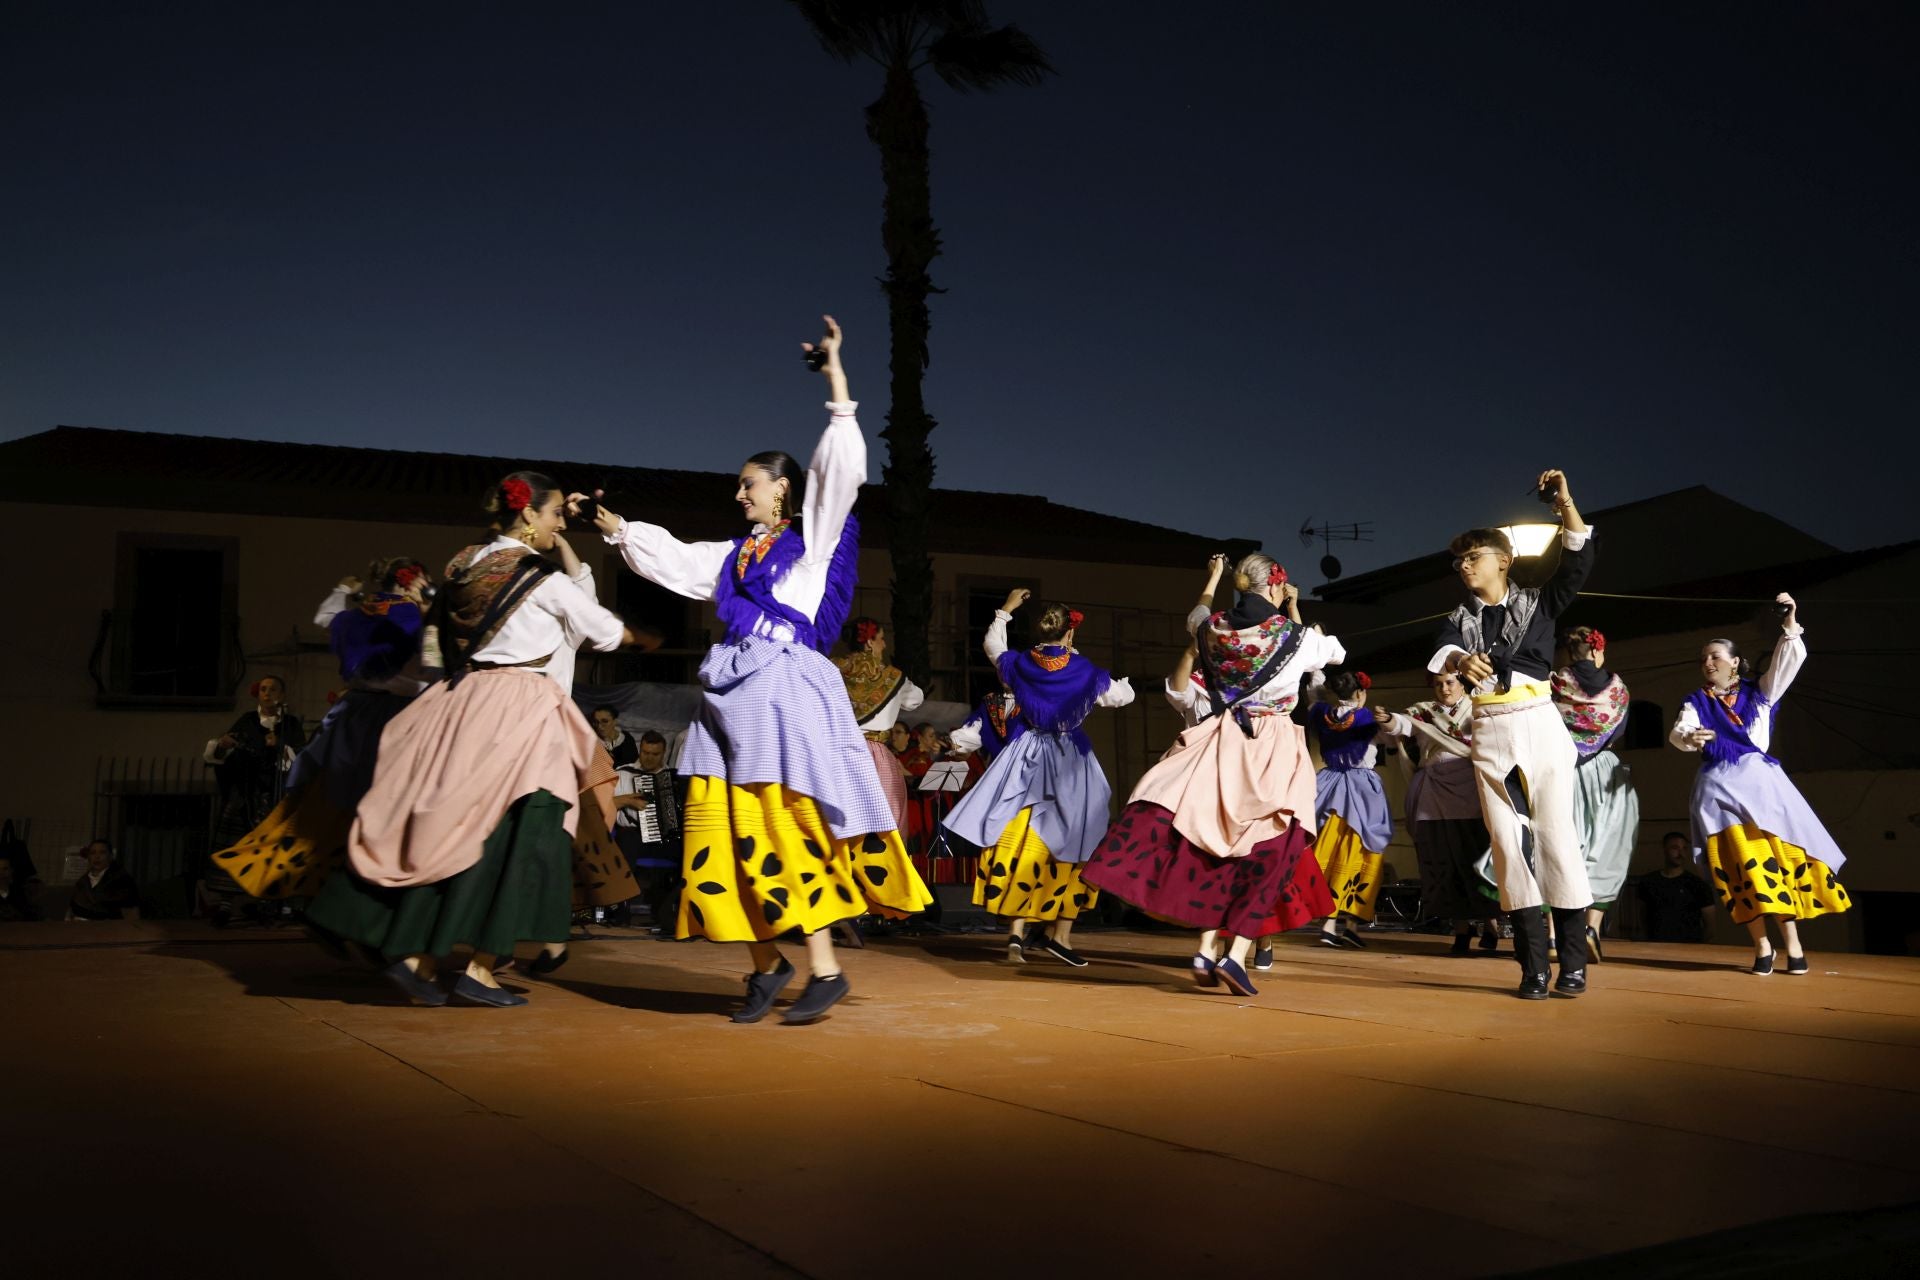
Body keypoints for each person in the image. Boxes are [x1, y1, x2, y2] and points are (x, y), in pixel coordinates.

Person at [588, 315, 931, 1026]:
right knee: (716, 840)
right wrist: (620, 531)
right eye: (740, 487)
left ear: (783, 491)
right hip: (728, 699)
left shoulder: (811, 547)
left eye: (750, 486)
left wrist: (838, 384)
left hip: (784, 694)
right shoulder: (733, 556)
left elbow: (840, 474)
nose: (739, 495)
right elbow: (680, 561)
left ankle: (826, 969)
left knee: (782, 831)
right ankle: (767, 966)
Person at [305, 470, 640, 1007]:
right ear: (529, 515)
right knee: (528, 834)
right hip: (522, 711)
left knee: (454, 828)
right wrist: (634, 634)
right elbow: (601, 631)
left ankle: (418, 955)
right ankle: (477, 968)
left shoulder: (464, 564)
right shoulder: (540, 578)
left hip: (462, 702)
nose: (559, 524)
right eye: (554, 514)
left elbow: (436, 644)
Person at [1084, 553, 1341, 997]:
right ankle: (1235, 954)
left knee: (1219, 847)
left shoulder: (1210, 627)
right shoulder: (1295, 638)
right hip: (1274, 746)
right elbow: (1334, 653)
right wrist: (1295, 614)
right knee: (1276, 849)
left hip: (1223, 742)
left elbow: (1198, 612)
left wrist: (1213, 576)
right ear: (1277, 586)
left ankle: (1207, 948)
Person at [1430, 469, 1596, 1000]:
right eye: (1458, 560)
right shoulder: (1459, 619)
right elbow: (1441, 651)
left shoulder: (1539, 603)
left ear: (1503, 560)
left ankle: (1571, 964)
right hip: (1490, 728)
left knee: (1555, 836)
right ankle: (1531, 969)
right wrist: (1461, 659)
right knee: (1506, 844)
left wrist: (1564, 502)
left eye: (1472, 556)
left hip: (1539, 719)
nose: (1463, 566)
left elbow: (1576, 557)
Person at [210, 558, 433, 902]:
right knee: (391, 805)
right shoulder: (417, 618)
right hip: (399, 717)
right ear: (411, 583)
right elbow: (435, 665)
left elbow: (325, 618)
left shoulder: (362, 613)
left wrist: (343, 590)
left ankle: (303, 874)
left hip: (355, 713)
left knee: (330, 798)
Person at [943, 590, 1134, 966]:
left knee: (1020, 837)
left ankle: (1017, 933)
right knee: (1081, 839)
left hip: (1025, 754)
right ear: (1070, 634)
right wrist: (1084, 668)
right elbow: (1121, 697)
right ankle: (1059, 934)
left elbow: (993, 644)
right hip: (1070, 759)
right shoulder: (1087, 673)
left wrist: (1006, 610)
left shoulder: (1017, 665)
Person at [1669, 594, 1849, 975]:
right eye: (1703, 657)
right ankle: (1762, 947)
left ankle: (1794, 946)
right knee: (1740, 873)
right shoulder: (1696, 701)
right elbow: (1681, 731)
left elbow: (1788, 662)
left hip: (1761, 790)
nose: (1708, 662)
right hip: (1717, 794)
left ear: (1735, 661)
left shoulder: (1761, 693)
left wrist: (1789, 624)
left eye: (1715, 655)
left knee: (1775, 867)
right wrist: (1691, 738)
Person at [1375, 670, 1503, 956]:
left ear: (1462, 683)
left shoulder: (1479, 706)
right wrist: (1389, 720)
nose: (1444, 689)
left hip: (1471, 791)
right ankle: (1461, 930)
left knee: (1477, 859)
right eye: (1438, 684)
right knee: (1443, 863)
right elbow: (1402, 725)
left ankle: (1490, 924)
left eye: (1450, 683)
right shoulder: (1424, 711)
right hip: (1435, 795)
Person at [1551, 624, 1641, 962]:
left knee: (1559, 848)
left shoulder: (1554, 685)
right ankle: (1592, 927)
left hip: (1563, 769)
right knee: (1609, 849)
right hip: (1607, 771)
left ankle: (1550, 936)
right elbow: (1620, 728)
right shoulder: (1619, 690)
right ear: (1598, 650)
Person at [202, 675, 307, 920]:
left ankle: (269, 902)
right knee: (237, 845)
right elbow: (223, 752)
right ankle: (226, 903)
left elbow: (300, 758)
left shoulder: (290, 724)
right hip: (246, 795)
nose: (267, 693)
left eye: (273, 689)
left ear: (282, 695)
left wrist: (280, 745)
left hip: (276, 795)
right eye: (263, 689)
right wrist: (224, 745)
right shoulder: (247, 721)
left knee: (274, 850)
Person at [1307, 669, 1393, 949]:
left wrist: (1316, 666)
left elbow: (1314, 690)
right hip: (1361, 788)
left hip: (1329, 784)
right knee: (1362, 851)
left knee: (1329, 849)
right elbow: (1391, 738)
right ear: (1360, 693)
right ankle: (1345, 924)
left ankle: (1333, 923)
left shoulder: (1321, 713)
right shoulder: (1368, 719)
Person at [834, 617, 923, 833]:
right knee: (884, 822)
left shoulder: (833, 668)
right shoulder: (892, 677)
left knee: (842, 822)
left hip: (838, 754)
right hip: (876, 755)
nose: (884, 644)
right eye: (881, 639)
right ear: (870, 642)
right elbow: (916, 699)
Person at [613, 730, 683, 932]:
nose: (648, 758)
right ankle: (620, 911)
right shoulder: (623, 773)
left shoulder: (674, 778)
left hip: (664, 837)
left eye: (654, 754)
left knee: (687, 855)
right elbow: (605, 803)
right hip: (632, 834)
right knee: (626, 843)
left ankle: (667, 911)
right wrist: (627, 800)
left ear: (663, 753)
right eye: (645, 752)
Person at [1635, 832, 1717, 943]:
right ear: (1664, 849)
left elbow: (1710, 927)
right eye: (1675, 848)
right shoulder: (1649, 882)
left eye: (1684, 848)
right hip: (1656, 949)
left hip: (1688, 950)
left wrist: (1695, 949)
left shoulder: (1698, 885)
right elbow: (1642, 917)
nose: (1680, 853)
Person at [66, 839, 140, 921]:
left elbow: (131, 913)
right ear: (89, 857)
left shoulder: (122, 881)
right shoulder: (82, 882)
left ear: (111, 856)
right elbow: (71, 910)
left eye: (102, 852)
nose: (97, 857)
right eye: (93, 853)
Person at [0, 855, 44, 922]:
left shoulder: (19, 893)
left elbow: (30, 916)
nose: (1, 873)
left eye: (5, 869)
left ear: (11, 871)